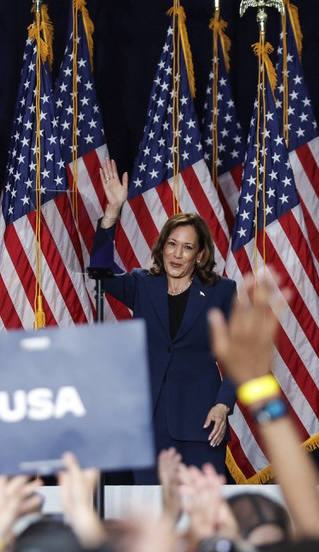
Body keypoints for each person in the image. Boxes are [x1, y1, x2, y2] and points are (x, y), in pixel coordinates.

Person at [92, 158, 236, 483]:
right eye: (172, 244)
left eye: (187, 248)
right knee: (154, 515)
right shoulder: (143, 285)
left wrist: (223, 406)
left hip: (202, 423)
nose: (176, 254)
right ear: (162, 246)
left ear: (200, 255)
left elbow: (239, 355)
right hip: (149, 426)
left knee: (201, 514)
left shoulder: (221, 291)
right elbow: (101, 273)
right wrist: (112, 212)